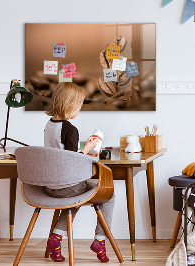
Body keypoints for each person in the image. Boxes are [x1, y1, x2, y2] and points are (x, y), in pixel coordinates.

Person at [44, 82, 114, 263]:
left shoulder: (49, 125)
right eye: (79, 106)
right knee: (109, 194)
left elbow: (61, 154)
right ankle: (100, 240)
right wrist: (89, 148)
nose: (78, 110)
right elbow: (72, 161)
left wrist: (83, 150)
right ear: (70, 105)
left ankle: (56, 238)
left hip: (50, 186)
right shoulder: (70, 129)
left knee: (74, 197)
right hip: (67, 186)